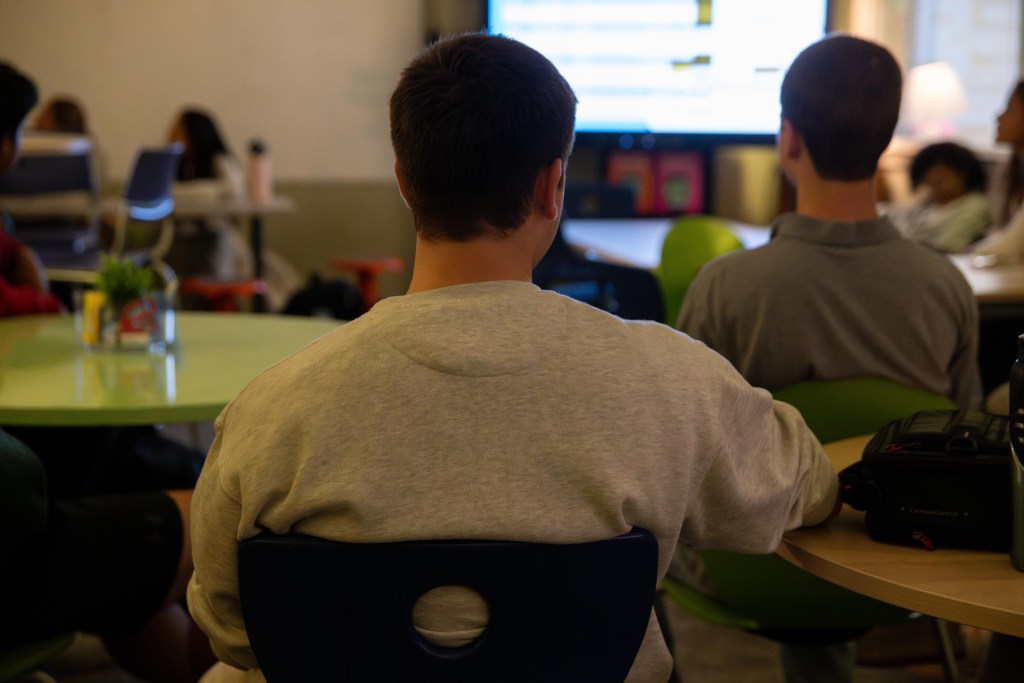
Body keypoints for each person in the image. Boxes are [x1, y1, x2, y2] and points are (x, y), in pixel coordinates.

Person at [188, 32, 840, 683]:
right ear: (553, 186)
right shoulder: (672, 380)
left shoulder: (271, 409)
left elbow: (227, 622)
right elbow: (806, 487)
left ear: (404, 182)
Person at [677, 34, 982, 682]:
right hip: (906, 564)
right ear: (883, 140)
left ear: (790, 140)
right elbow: (968, 436)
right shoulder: (946, 289)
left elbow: (684, 453)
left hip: (753, 567)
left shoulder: (724, 288)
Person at [0, 60, 215, 683]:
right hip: (20, 541)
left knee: (121, 476)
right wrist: (40, 299)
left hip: (30, 505)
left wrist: (18, 262)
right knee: (228, 507)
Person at [165, 107, 300, 311]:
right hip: (184, 248)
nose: (171, 134)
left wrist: (180, 192)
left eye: (178, 129)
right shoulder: (176, 166)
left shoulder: (220, 163)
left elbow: (230, 190)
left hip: (216, 247)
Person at [887, 141, 991, 252]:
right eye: (930, 173)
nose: (936, 176)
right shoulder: (920, 206)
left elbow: (948, 245)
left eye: (944, 174)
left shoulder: (976, 206)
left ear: (964, 173)